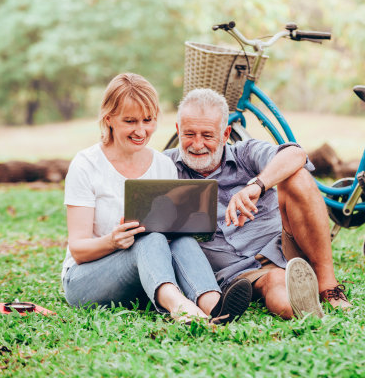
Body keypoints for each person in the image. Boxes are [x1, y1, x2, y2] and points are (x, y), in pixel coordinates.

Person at [61, 73, 251, 324]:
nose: (141, 130)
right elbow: (78, 249)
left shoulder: (163, 165)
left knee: (180, 240)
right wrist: (113, 241)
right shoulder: (86, 165)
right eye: (130, 121)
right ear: (109, 119)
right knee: (148, 238)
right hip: (87, 279)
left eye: (148, 120)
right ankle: (179, 306)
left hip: (144, 278)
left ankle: (213, 304)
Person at [164, 88, 352, 319]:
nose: (197, 144)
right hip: (237, 275)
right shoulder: (164, 167)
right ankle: (302, 306)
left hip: (282, 247)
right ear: (177, 130)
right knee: (278, 290)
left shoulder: (245, 153)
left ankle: (326, 284)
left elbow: (296, 154)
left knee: (297, 176)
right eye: (189, 134)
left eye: (208, 135)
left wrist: (256, 185)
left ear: (225, 134)